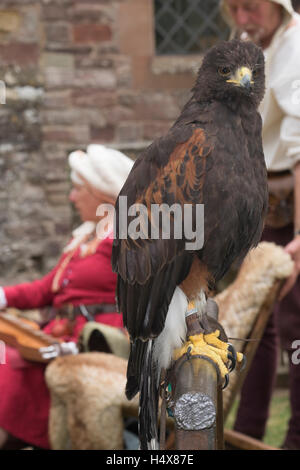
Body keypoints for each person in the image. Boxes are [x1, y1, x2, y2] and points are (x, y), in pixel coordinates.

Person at [0, 144, 134, 449]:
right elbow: (47, 289)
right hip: (54, 339)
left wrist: (91, 342)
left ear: (101, 194)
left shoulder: (130, 240)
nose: (72, 198)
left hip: (93, 345)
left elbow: (146, 302)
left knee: (6, 367)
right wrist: (4, 296)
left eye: (77, 189)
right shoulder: (85, 236)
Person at [221, 0, 300, 449]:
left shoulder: (297, 47)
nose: (242, 19)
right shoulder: (247, 46)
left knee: (297, 326)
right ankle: (246, 433)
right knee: (254, 323)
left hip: (293, 208)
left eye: (251, 7)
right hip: (258, 203)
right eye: (233, 8)